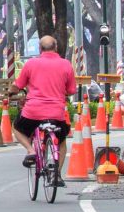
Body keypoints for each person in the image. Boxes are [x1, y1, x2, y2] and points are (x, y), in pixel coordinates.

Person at [7, 31, 78, 167]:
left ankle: (31, 150)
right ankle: (57, 175)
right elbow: (71, 90)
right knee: (61, 141)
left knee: (16, 128)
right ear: (56, 47)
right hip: (57, 113)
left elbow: (17, 85)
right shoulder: (66, 64)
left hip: (33, 112)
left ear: (40, 48)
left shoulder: (31, 64)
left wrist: (11, 91)